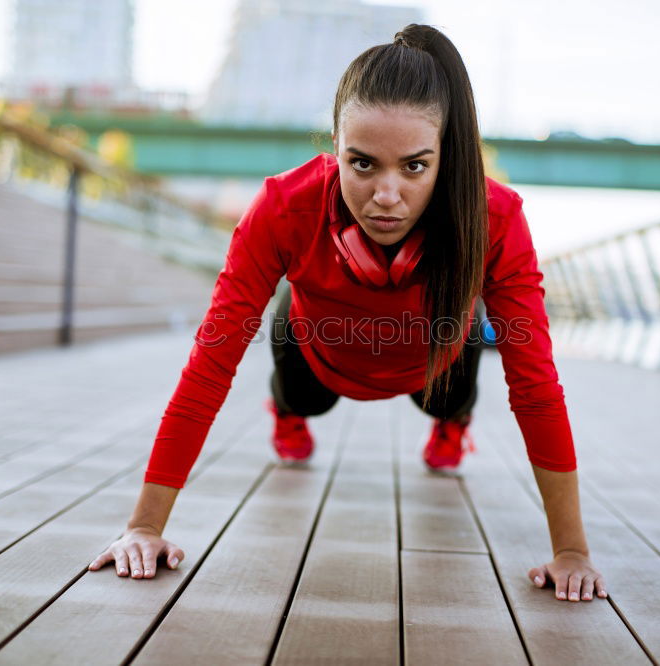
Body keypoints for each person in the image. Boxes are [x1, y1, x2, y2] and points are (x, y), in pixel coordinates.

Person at [88, 24, 607, 603]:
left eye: (414, 167)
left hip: (435, 358)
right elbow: (210, 364)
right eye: (362, 164)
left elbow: (535, 384)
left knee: (464, 332)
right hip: (320, 353)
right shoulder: (285, 207)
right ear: (334, 145)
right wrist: (144, 527)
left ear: (445, 157)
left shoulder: (495, 218)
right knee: (300, 384)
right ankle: (288, 411)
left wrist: (571, 552)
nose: (387, 194)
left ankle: (452, 425)